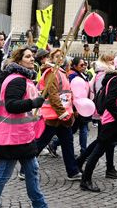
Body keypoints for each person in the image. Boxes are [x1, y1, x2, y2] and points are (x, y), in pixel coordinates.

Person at [0, 47, 48, 208]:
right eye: (28, 57)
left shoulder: (20, 78)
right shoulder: (17, 79)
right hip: (12, 137)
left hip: (21, 136)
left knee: (32, 171)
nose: (32, 59)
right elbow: (12, 105)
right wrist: (33, 103)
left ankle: (39, 205)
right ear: (19, 61)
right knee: (4, 174)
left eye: (33, 56)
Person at [80, 56, 117, 192]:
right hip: (114, 122)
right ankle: (85, 180)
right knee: (98, 151)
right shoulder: (115, 80)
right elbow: (110, 102)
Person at [33, 49, 82, 180]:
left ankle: (72, 171)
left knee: (68, 142)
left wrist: (70, 111)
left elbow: (66, 94)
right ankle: (25, 168)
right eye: (57, 56)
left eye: (62, 56)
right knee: (41, 142)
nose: (60, 58)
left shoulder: (61, 72)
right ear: (51, 58)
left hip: (62, 115)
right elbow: (53, 95)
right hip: (54, 115)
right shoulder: (51, 72)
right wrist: (63, 113)